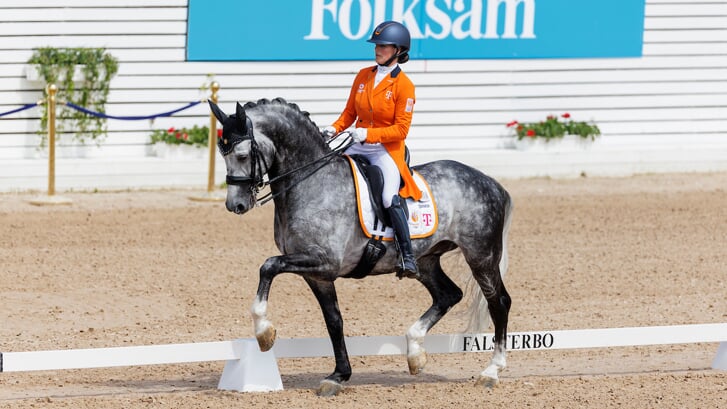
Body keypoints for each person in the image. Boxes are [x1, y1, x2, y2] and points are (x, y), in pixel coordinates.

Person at [322, 21, 422, 279]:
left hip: (384, 150)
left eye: (384, 45)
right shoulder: (363, 75)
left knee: (389, 196)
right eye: (377, 45)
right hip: (357, 142)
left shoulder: (404, 86)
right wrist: (333, 129)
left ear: (398, 50)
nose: (378, 49)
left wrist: (369, 134)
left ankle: (406, 255)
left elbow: (401, 131)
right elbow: (349, 113)